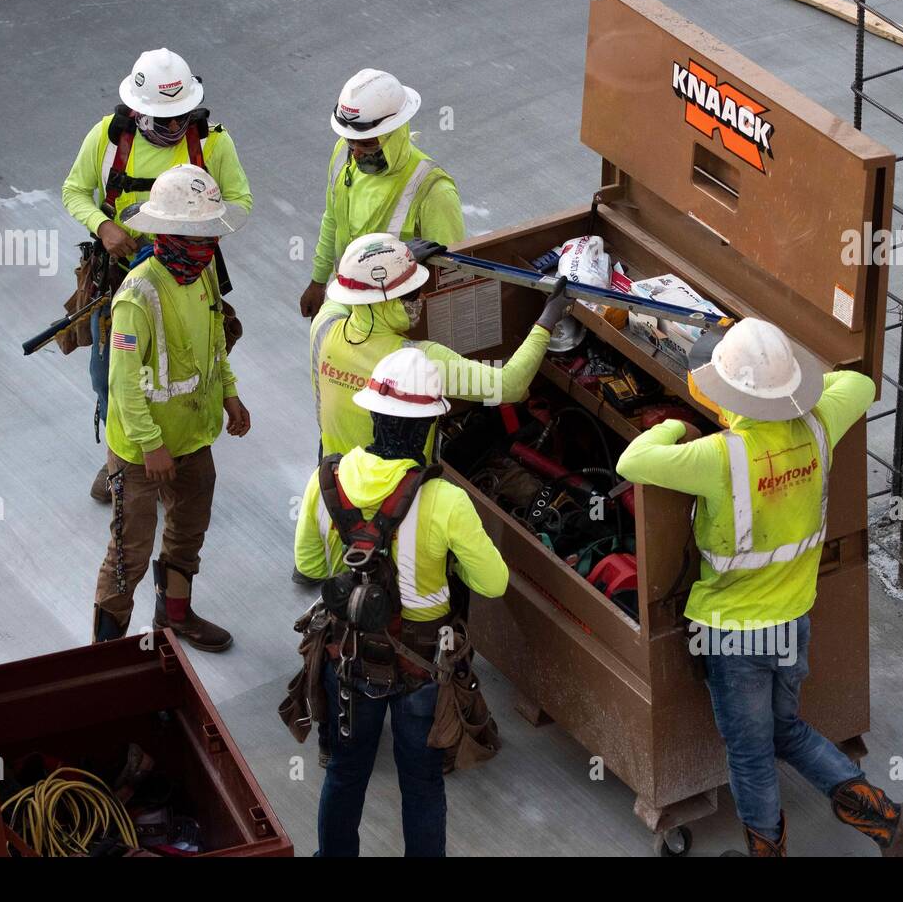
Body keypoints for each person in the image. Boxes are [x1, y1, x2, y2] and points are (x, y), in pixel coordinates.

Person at [616, 318, 903, 857]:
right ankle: (891, 822)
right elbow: (860, 385)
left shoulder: (719, 457)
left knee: (748, 752)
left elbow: (633, 461)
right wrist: (797, 387)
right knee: (783, 727)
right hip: (792, 621)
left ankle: (769, 850)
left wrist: (671, 426)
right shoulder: (816, 427)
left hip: (734, 635)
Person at [293, 347, 508, 856]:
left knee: (346, 773)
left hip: (346, 659)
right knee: (422, 783)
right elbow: (494, 583)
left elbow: (309, 564)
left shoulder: (324, 480)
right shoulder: (447, 501)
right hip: (421, 670)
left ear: (371, 414)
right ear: (430, 427)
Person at [63, 47, 253, 501]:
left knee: (190, 362)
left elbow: (240, 202)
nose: (174, 128)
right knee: (108, 372)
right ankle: (121, 462)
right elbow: (74, 191)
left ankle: (180, 454)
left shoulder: (213, 142)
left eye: (182, 117)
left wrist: (193, 236)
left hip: (188, 273)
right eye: (163, 119)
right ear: (137, 110)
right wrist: (104, 225)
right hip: (119, 277)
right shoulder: (108, 139)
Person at [91, 164, 250, 651]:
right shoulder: (137, 296)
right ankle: (105, 654)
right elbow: (122, 386)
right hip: (144, 454)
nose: (210, 247)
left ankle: (174, 615)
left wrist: (229, 392)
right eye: (200, 236)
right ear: (172, 236)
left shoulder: (201, 278)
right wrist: (151, 446)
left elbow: (215, 345)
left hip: (193, 439)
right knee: (128, 555)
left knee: (186, 534)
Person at [310, 232, 569, 462]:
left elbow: (347, 287)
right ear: (384, 302)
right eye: (411, 293)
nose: (421, 297)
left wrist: (399, 262)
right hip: (399, 496)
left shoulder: (324, 327)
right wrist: (547, 320)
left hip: (336, 486)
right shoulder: (417, 362)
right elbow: (510, 385)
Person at [298, 68, 463, 319]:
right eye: (351, 141)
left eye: (366, 143)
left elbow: (451, 279)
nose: (355, 153)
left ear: (395, 135)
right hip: (349, 304)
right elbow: (332, 219)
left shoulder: (433, 190)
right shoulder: (343, 155)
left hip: (399, 324)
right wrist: (319, 281)